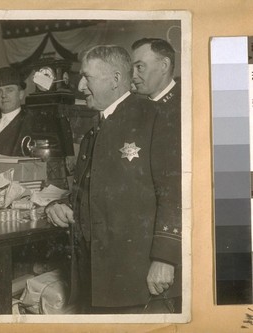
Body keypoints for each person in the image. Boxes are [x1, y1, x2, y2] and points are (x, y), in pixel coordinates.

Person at [45, 45, 181, 314]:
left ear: (116, 79)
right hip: (96, 278)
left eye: (87, 77)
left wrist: (165, 258)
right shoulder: (94, 130)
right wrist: (60, 206)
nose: (80, 85)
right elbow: (90, 191)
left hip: (139, 279)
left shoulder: (157, 117)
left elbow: (174, 191)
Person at [131, 38, 180, 108]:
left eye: (139, 67)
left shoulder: (185, 105)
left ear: (164, 65)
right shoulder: (137, 108)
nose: (133, 76)